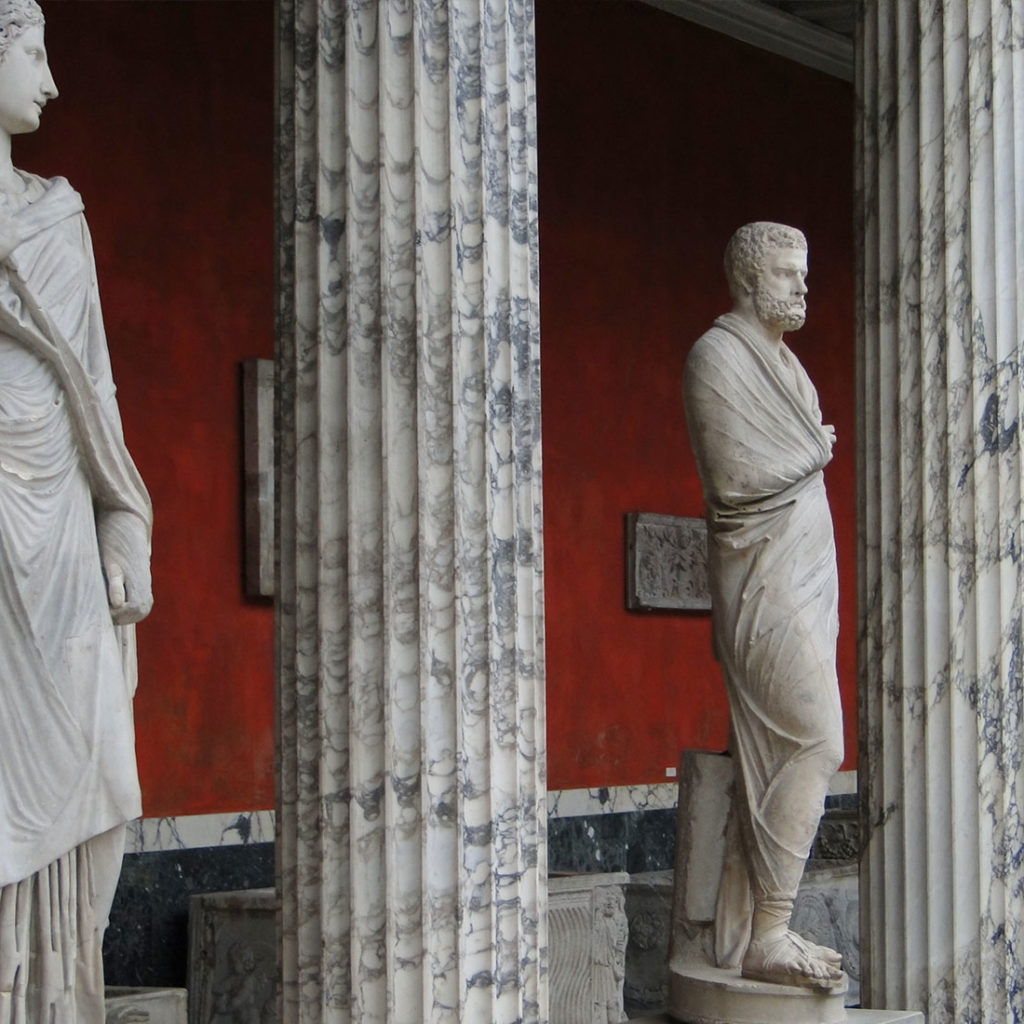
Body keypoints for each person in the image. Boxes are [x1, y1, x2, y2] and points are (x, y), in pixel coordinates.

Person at [0, 2, 153, 1021]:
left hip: (59, 523)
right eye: (31, 51)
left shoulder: (58, 216)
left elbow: (95, 385)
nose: (50, 82)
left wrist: (123, 522)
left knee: (103, 767)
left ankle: (59, 993)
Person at [683, 222, 844, 990]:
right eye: (788, 274)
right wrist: (814, 452)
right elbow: (734, 482)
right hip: (758, 584)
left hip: (805, 580)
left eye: (804, 274)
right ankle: (769, 932)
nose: (802, 288)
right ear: (748, 281)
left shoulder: (794, 371)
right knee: (816, 740)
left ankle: (759, 932)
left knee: (781, 755)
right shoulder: (717, 357)